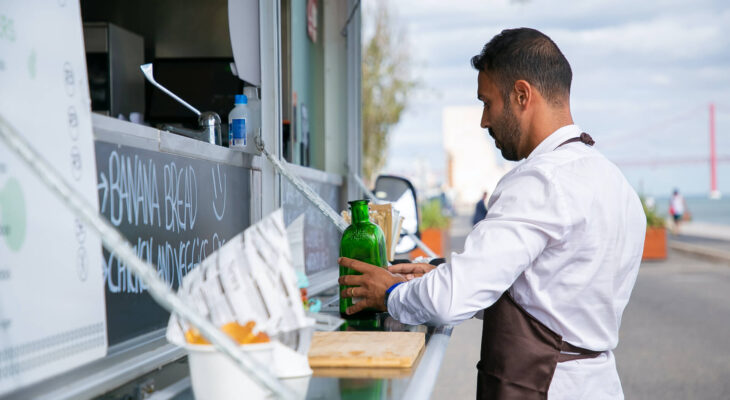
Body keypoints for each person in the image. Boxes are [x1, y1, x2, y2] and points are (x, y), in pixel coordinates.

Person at [338, 27, 646, 399]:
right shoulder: (614, 182)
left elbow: (448, 301)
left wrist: (390, 293)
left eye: (487, 103)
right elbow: (550, 301)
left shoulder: (539, 182)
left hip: (541, 386)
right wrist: (442, 273)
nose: (484, 121)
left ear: (521, 95)